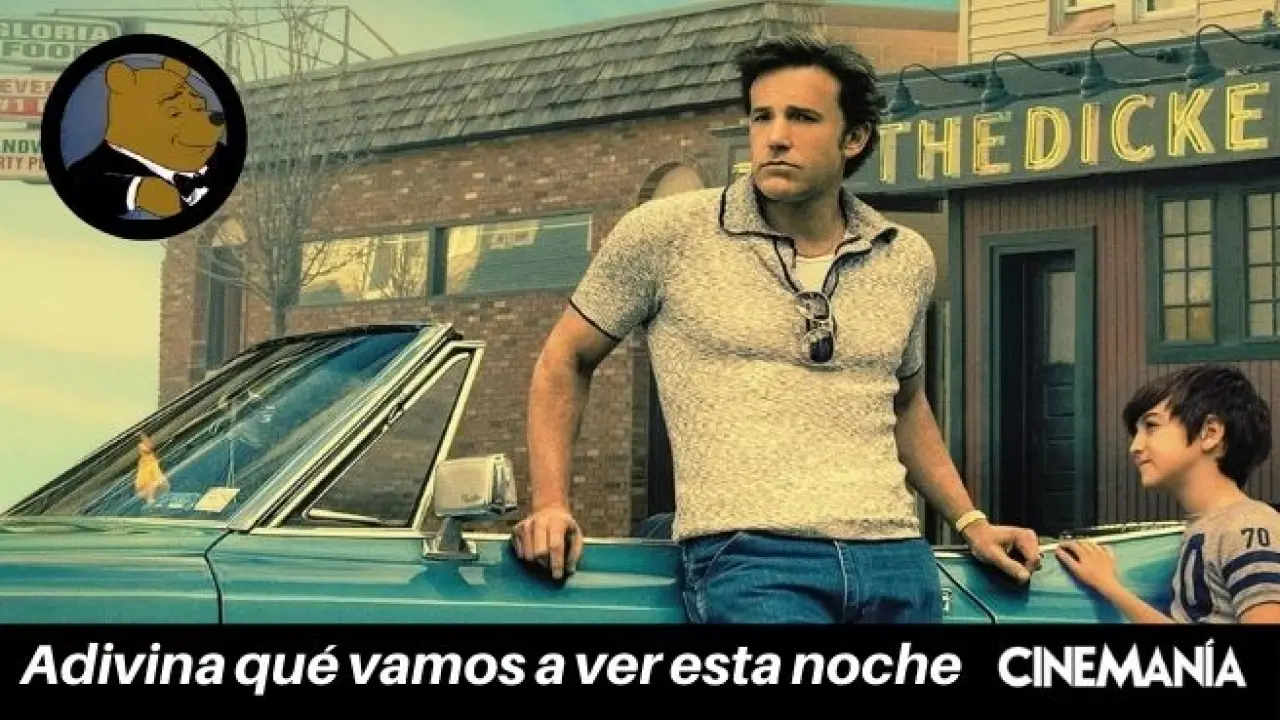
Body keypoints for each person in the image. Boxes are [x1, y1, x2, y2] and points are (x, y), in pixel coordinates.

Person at [510, 31, 1041, 623]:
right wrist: (551, 502)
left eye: (802, 117)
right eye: (762, 116)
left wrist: (971, 521)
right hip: (753, 556)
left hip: (894, 557)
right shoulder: (666, 234)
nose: (776, 136)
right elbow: (565, 358)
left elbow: (905, 403)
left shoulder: (904, 255)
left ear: (854, 137)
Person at [1056, 364, 1280, 624]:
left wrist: (1110, 587)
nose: (1135, 447)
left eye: (1151, 426)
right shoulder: (1205, 527)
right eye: (1135, 433)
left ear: (1210, 433)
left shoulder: (1248, 527)